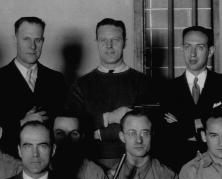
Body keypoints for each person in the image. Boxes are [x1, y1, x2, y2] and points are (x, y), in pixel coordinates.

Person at [66, 18, 155, 168]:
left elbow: (148, 127)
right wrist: (110, 117)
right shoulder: (81, 85)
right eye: (103, 40)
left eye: (115, 40)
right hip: (89, 164)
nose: (109, 46)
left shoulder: (143, 82)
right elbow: (72, 128)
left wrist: (97, 133)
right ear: (97, 43)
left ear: (124, 42)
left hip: (134, 163)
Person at [0, 16, 67, 155]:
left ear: (43, 41)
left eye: (37, 40)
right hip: (10, 161)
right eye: (26, 39)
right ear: (15, 39)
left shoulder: (57, 80)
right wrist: (22, 123)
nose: (32, 46)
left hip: (49, 162)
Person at [159, 26, 222, 170]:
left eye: (200, 47)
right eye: (188, 46)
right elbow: (166, 135)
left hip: (219, 166)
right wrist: (204, 122)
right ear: (182, 48)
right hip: (178, 166)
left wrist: (181, 124)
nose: (192, 54)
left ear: (211, 51)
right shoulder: (167, 89)